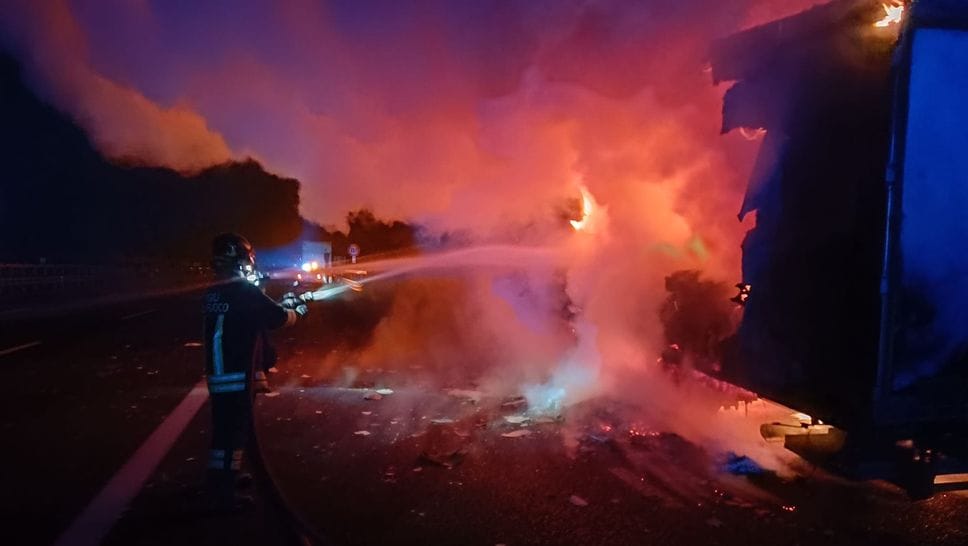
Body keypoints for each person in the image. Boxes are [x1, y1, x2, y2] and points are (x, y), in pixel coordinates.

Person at [203, 233, 308, 512]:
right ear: (241, 260)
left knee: (224, 433)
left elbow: (247, 310)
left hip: (219, 373)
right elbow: (275, 317)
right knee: (233, 434)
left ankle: (222, 480)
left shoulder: (215, 290)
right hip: (237, 374)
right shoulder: (243, 292)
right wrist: (297, 309)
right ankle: (223, 497)